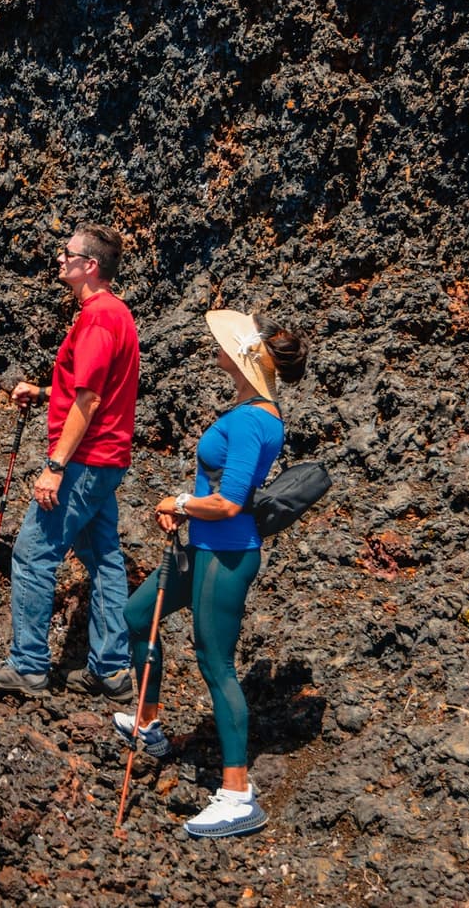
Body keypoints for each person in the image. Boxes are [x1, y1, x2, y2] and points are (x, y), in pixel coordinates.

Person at [113, 309, 308, 839]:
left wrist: (180, 500)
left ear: (245, 358)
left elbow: (227, 503)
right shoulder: (250, 411)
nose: (213, 348)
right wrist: (185, 510)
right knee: (136, 616)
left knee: (215, 663)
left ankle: (238, 794)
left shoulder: (252, 422)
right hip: (200, 547)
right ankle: (149, 724)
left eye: (222, 344)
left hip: (225, 554)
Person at [0, 225, 140, 702]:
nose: (59, 259)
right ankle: (111, 670)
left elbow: (88, 401)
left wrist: (55, 465)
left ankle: (28, 666)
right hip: (108, 459)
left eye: (67, 253)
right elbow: (90, 390)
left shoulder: (96, 318)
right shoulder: (117, 315)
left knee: (32, 555)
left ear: (90, 265)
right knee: (105, 559)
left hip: (83, 461)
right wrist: (46, 392)